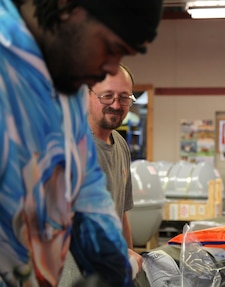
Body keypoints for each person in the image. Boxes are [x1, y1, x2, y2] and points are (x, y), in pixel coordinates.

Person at [0, 0, 163, 286]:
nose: (108, 68)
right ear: (70, 10)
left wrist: (111, 266)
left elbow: (86, 194)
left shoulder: (68, 85)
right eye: (109, 47)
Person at [59, 64, 142, 285]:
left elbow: (121, 214)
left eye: (124, 97)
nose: (116, 105)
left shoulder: (121, 145)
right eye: (107, 96)